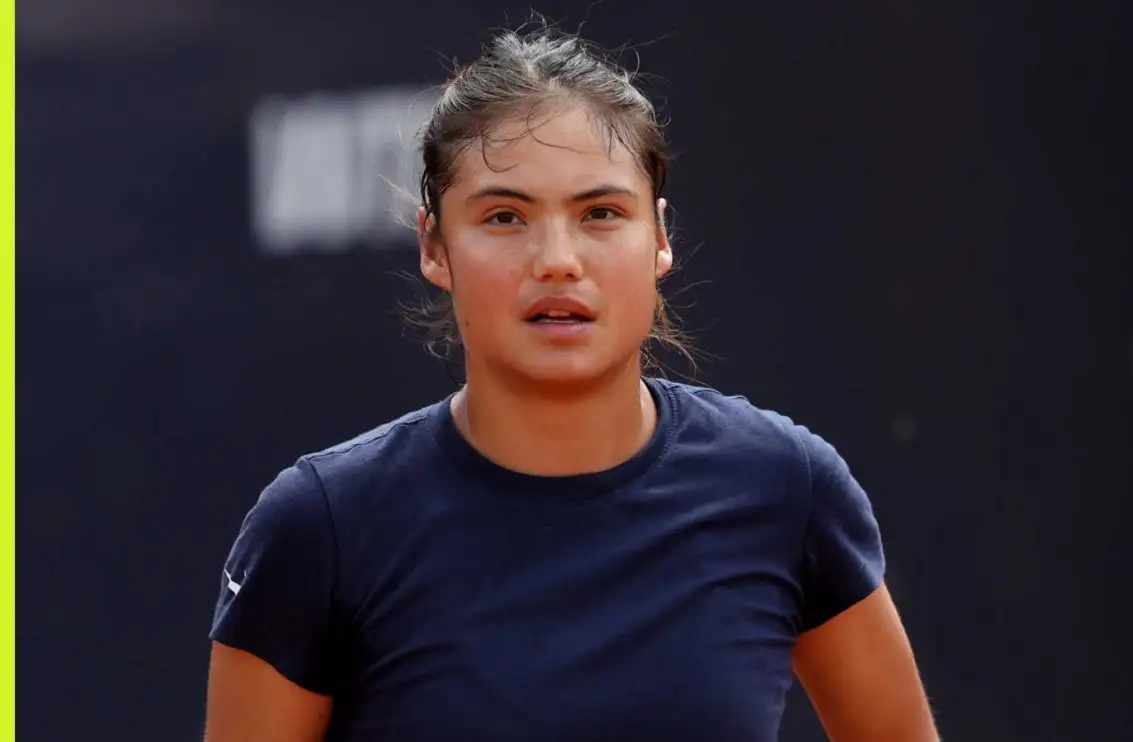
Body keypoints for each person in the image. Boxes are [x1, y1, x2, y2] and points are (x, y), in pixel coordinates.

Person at [204, 22, 939, 742]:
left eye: (600, 213)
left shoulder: (785, 487)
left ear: (660, 238)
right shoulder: (319, 529)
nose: (557, 259)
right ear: (434, 246)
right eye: (504, 216)